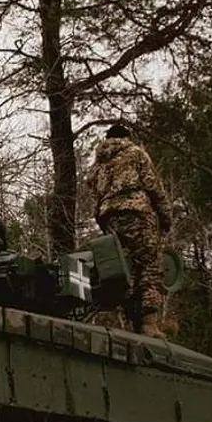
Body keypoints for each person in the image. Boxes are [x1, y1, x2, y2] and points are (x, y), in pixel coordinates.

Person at [85, 122, 172, 337]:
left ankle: (132, 319)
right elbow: (153, 186)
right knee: (149, 265)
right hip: (138, 214)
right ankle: (149, 323)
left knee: (124, 268)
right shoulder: (136, 153)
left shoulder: (98, 165)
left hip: (110, 219)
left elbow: (93, 192)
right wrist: (165, 216)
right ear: (127, 137)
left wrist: (104, 217)